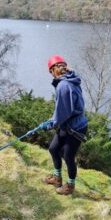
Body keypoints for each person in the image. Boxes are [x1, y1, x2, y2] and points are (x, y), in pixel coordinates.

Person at [38, 55, 88, 195]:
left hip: (75, 128)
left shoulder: (63, 86)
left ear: (53, 70)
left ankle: (70, 186)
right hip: (68, 124)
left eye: (50, 72)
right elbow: (63, 110)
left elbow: (63, 113)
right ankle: (57, 178)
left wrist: (49, 125)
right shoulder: (71, 79)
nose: (51, 75)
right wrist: (52, 120)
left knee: (68, 156)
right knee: (54, 149)